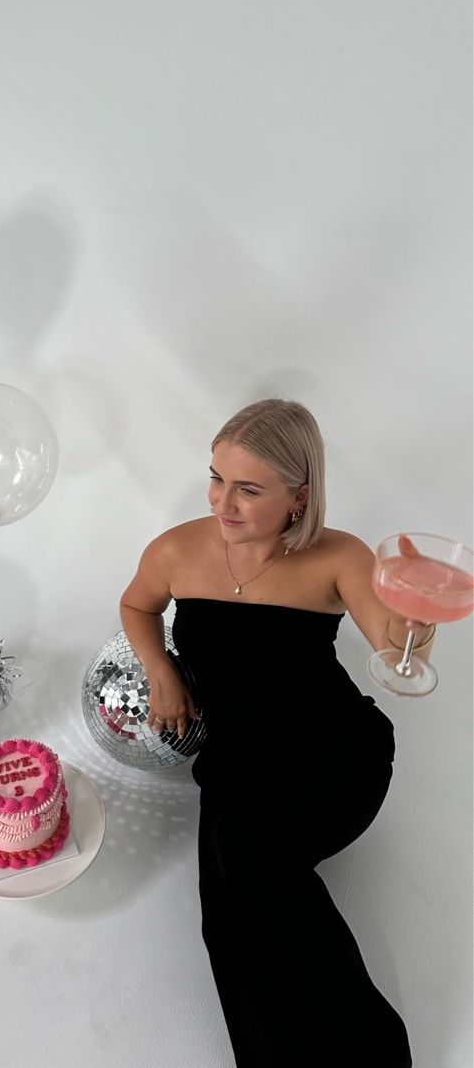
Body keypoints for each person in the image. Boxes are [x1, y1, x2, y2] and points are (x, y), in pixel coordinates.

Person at [120, 398, 431, 1067]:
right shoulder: (176, 549)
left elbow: (391, 644)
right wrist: (160, 672)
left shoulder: (337, 556)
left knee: (255, 864)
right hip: (236, 757)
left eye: (247, 489)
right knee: (221, 914)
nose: (221, 503)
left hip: (334, 750)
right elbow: (135, 602)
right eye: (216, 478)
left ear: (299, 496)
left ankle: (374, 1054)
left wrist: (414, 620)